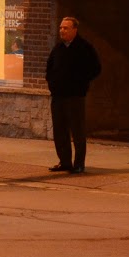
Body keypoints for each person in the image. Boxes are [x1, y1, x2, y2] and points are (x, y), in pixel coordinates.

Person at [45, 15, 102, 175]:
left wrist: (81, 83)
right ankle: (64, 162)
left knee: (77, 131)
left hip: (75, 96)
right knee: (60, 130)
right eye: (61, 28)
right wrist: (52, 83)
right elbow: (49, 68)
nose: (62, 30)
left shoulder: (84, 48)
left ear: (74, 30)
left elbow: (96, 68)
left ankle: (79, 164)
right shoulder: (58, 49)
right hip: (58, 96)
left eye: (65, 28)